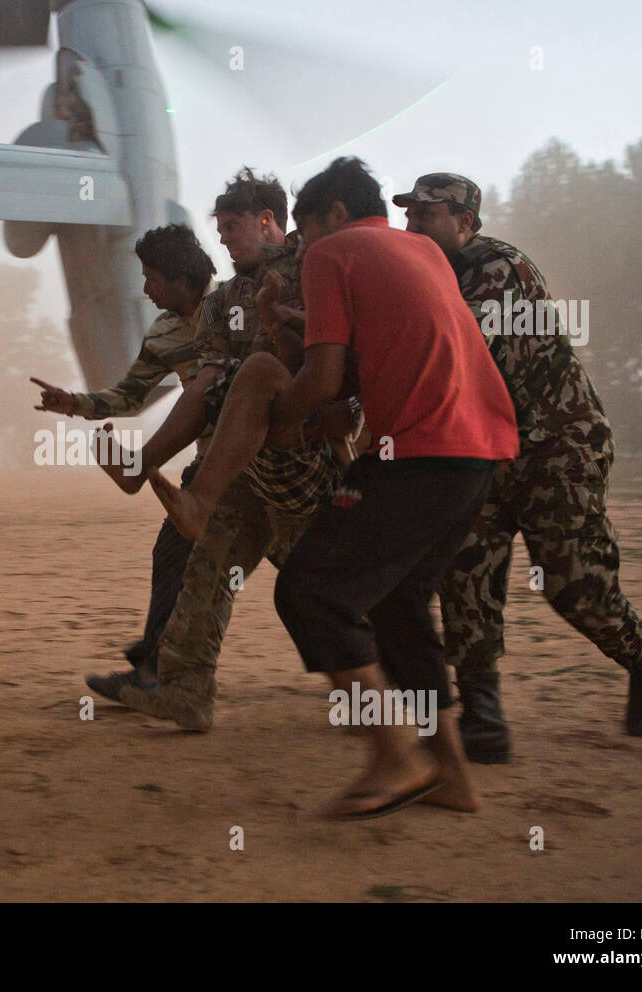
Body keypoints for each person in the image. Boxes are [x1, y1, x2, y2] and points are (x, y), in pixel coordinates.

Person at [232, 157, 519, 818]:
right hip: (478, 455)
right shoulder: (419, 251)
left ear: (331, 216)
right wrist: (295, 326)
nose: (302, 248)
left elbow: (325, 380)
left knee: (310, 591)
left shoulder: (332, 253)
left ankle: (394, 755)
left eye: (303, 231)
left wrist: (272, 422)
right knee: (398, 606)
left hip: (420, 454)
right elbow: (382, 348)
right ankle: (452, 775)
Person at [398, 173, 642, 762]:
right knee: (466, 571)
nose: (413, 225)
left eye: (427, 214)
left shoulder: (500, 269)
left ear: (465, 223)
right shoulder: (434, 276)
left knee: (575, 585)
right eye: (409, 215)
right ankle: (483, 718)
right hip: (490, 451)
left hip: (560, 446)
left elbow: (450, 347)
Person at [105, 169, 343, 731]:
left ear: (267, 222)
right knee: (208, 564)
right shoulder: (222, 303)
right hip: (246, 464)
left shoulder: (314, 268)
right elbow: (207, 382)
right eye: (220, 228)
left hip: (308, 458)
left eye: (232, 226)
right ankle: (186, 689)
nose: (224, 239)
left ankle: (381, 692)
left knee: (327, 590)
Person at [31, 224, 215, 699]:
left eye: (152, 278)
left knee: (311, 573)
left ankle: (377, 680)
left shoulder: (236, 310)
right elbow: (131, 396)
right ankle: (153, 673)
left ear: (180, 277)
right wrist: (74, 403)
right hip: (214, 472)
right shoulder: (166, 332)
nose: (146, 290)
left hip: (274, 462)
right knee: (175, 554)